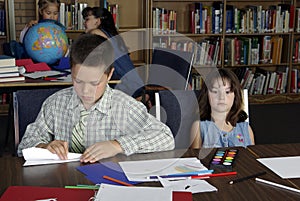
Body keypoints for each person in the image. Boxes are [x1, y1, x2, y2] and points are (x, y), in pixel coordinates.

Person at [17, 34, 175, 163]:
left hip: (109, 180)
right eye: (78, 81)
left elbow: (165, 138)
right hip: (64, 179)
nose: (85, 91)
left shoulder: (125, 106)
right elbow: (25, 144)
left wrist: (117, 145)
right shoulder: (55, 103)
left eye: (94, 83)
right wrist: (45, 146)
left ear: (110, 74)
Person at [81, 7, 150, 105]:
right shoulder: (111, 35)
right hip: (135, 86)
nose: (84, 23)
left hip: (125, 88)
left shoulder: (95, 33)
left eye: (87, 19)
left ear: (98, 21)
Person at [190, 68, 255, 148]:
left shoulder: (247, 129)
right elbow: (194, 159)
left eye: (227, 92)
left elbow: (252, 158)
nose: (221, 97)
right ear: (206, 95)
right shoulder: (199, 127)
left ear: (235, 96)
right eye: (215, 91)